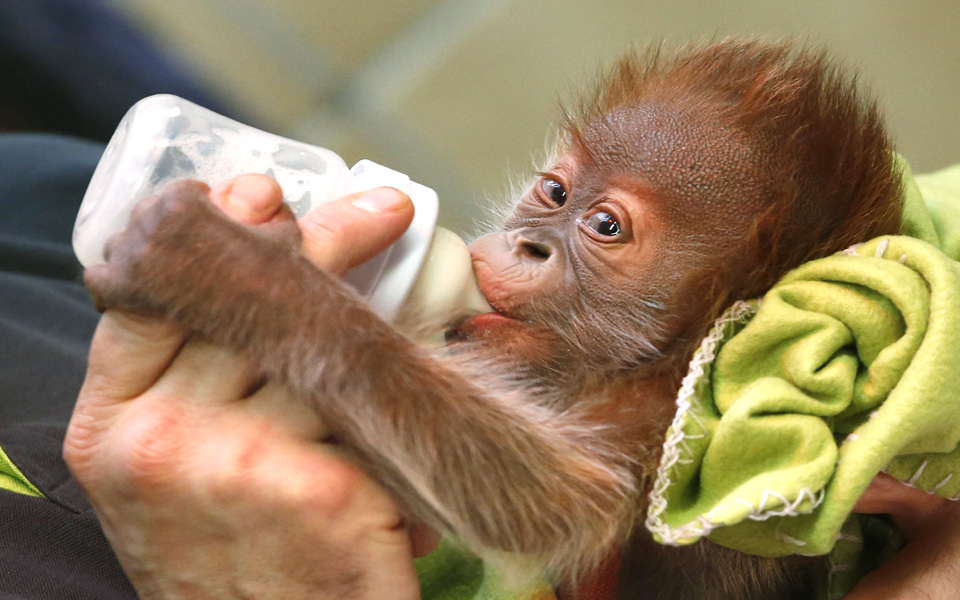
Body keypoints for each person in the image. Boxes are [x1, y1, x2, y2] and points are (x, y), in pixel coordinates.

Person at [1, 133, 957, 599]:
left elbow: (545, 497)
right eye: (551, 191)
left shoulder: (754, 365)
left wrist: (287, 309)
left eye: (607, 227)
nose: (520, 244)